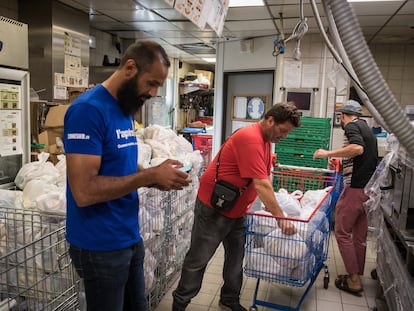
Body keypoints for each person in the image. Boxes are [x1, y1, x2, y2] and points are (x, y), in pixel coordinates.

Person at [63, 41, 191, 311]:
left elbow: (121, 167)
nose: (154, 93)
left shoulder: (124, 110)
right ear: (130, 67)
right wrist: (147, 177)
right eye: (152, 83)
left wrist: (153, 175)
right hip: (99, 244)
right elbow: (84, 191)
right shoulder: (88, 110)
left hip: (128, 237)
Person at [172, 102, 301, 311]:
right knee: (199, 258)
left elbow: (259, 175)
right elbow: (261, 183)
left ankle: (229, 300)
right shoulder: (251, 138)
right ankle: (180, 303)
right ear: (270, 121)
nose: (284, 136)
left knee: (235, 259)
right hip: (214, 209)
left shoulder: (265, 140)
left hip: (238, 210)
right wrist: (281, 218)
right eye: (283, 130)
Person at [313, 99, 377, 297]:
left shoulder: (351, 126)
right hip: (369, 190)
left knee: (341, 232)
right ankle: (356, 273)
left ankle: (354, 280)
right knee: (359, 236)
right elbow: (361, 157)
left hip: (355, 190)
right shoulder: (367, 128)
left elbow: (357, 148)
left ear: (343, 116)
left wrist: (328, 153)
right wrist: (341, 163)